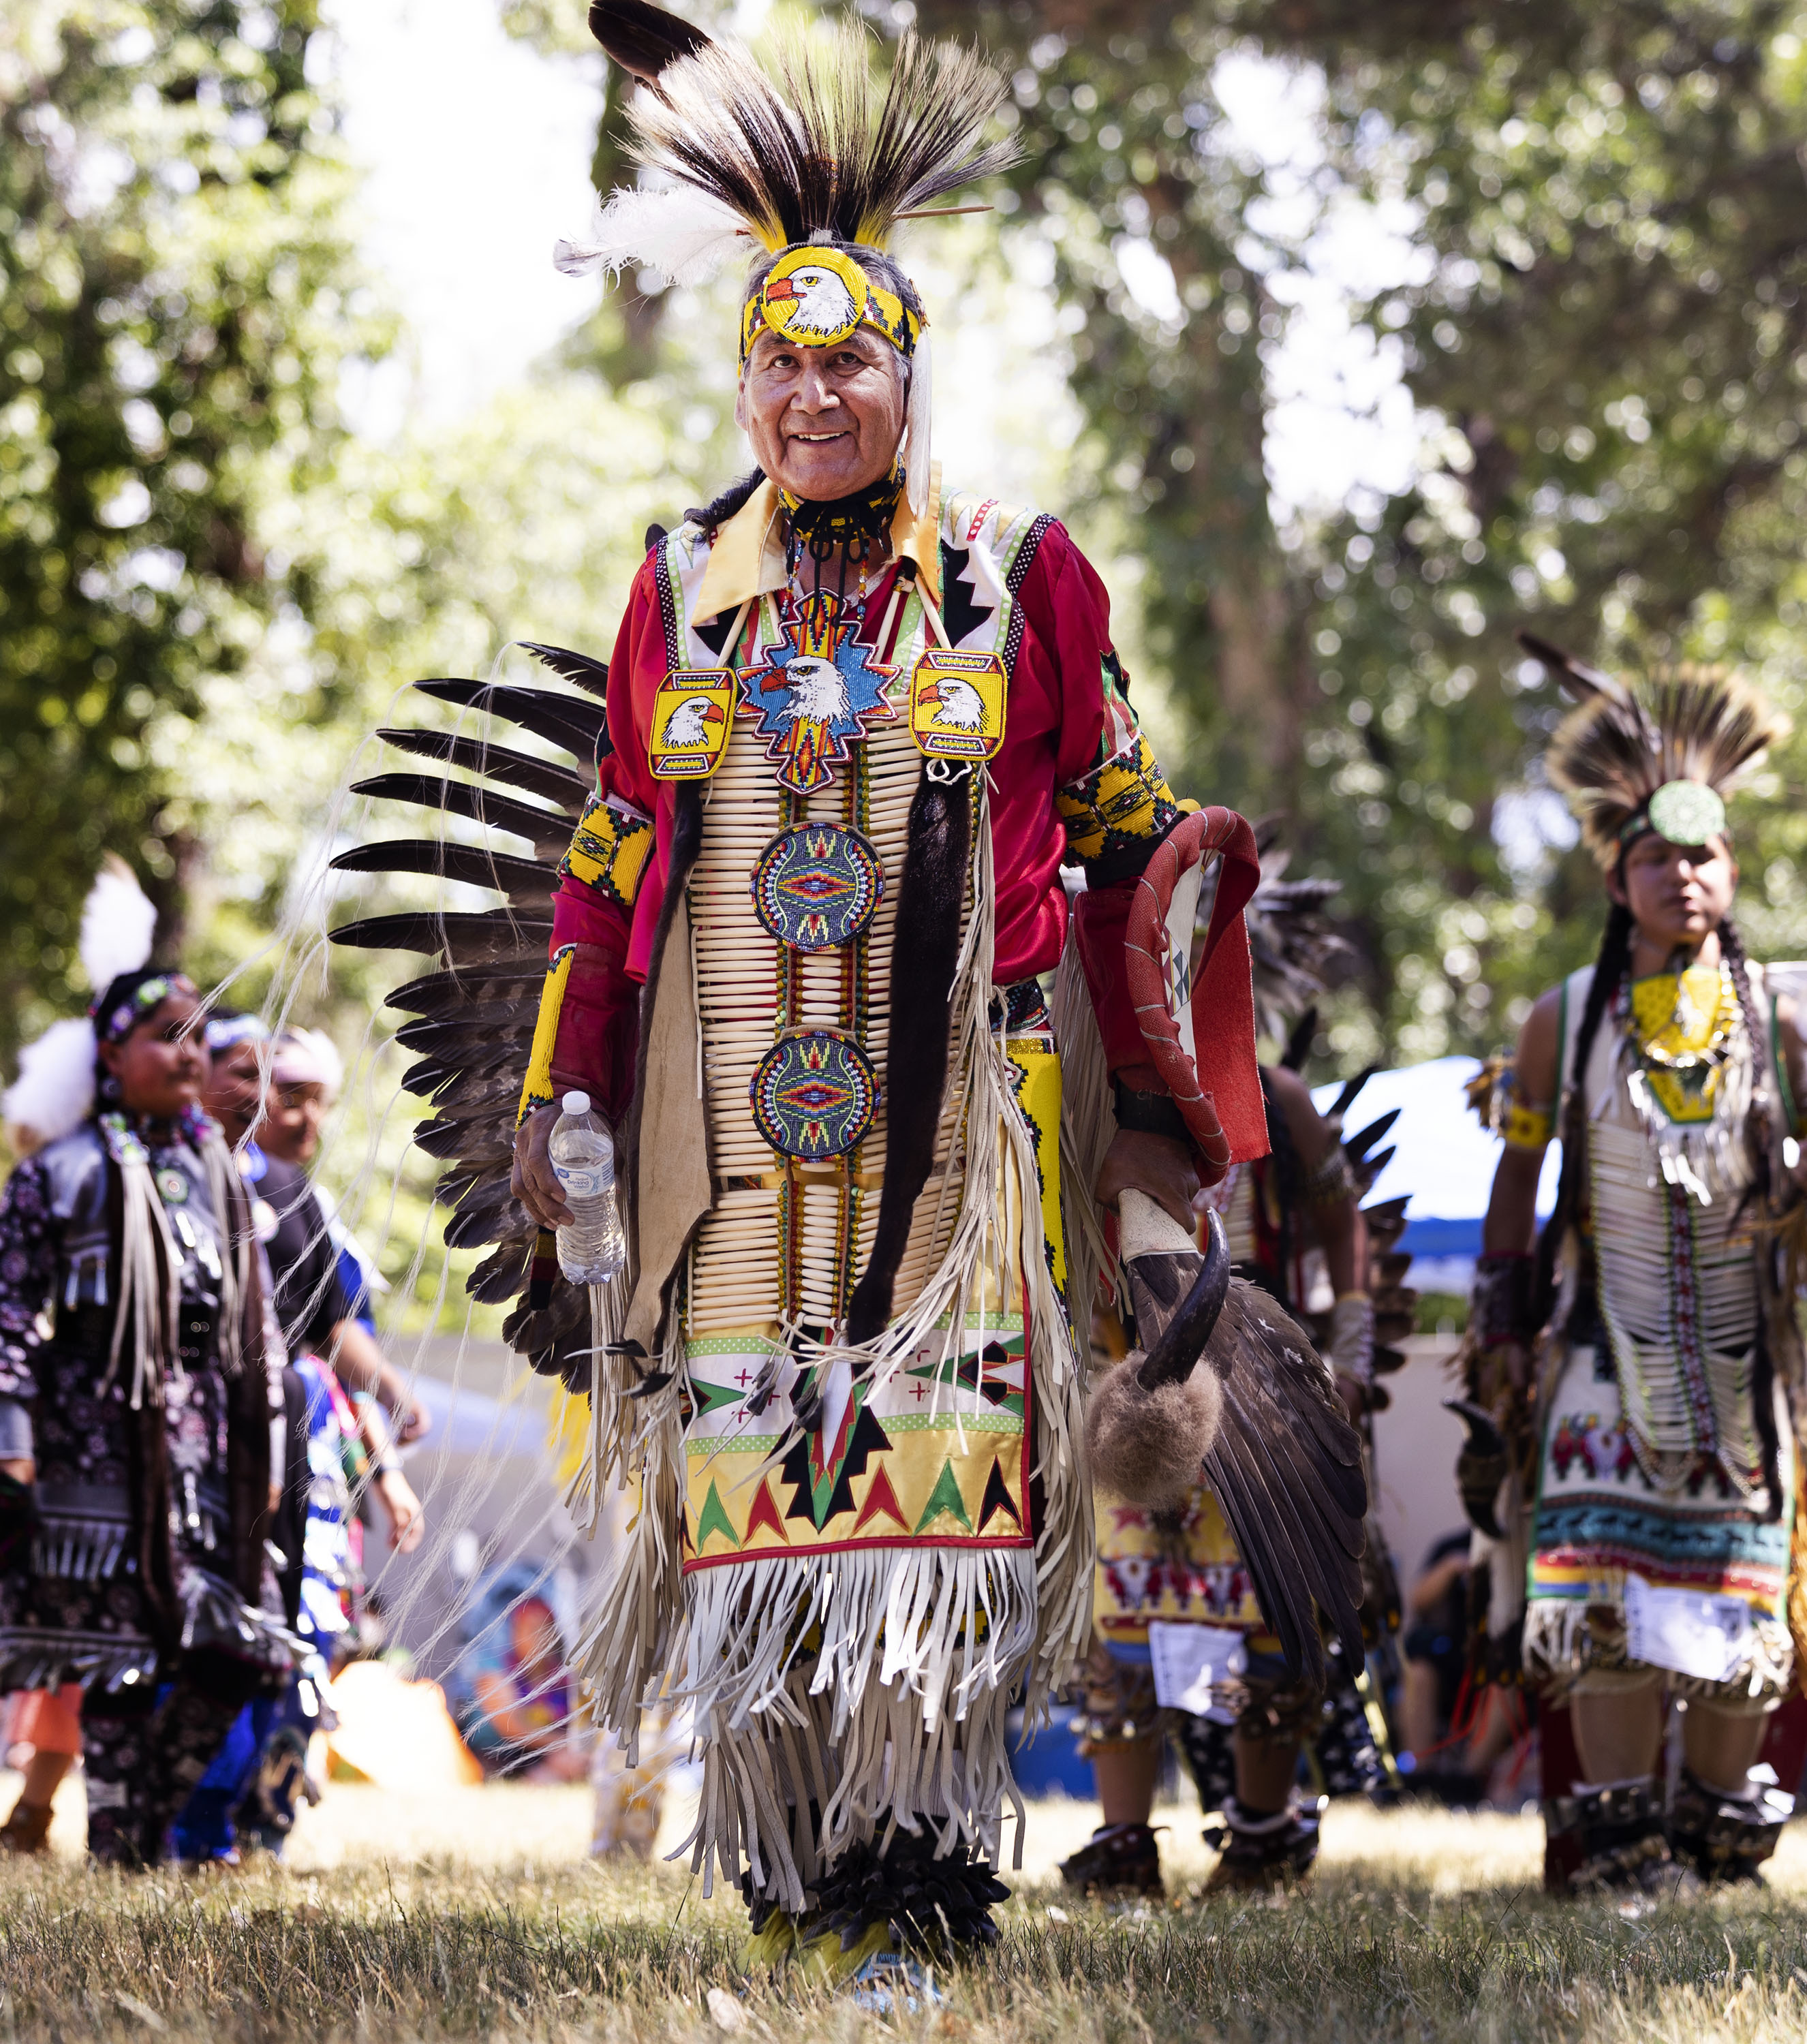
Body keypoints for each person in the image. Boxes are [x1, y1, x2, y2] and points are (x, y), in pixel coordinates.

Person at [1464, 641, 1807, 1891]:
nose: (1682, 877)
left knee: (1734, 1615)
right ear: (1618, 876)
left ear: (1734, 866)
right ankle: (1616, 1840)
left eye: (1702, 853)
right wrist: (1501, 1334)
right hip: (1603, 1368)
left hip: (1745, 1378)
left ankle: (1719, 1828)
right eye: (1656, 857)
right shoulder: (1564, 1019)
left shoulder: (1784, 1015)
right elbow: (1514, 1184)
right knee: (1601, 1599)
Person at [1062, 845, 1409, 1895]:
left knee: (1265, 1613)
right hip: (1130, 1390)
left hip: (1259, 1391)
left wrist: (1346, 1353)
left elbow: (1342, 1220)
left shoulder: (1275, 1095)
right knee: (1118, 1627)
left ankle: (1260, 1831)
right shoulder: (1088, 1095)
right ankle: (1126, 1842)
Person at [0, 862, 300, 1865]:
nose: (187, 1054)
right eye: (163, 1037)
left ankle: (134, 1832)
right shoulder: (63, 1174)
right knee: (123, 1665)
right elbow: (4, 1314)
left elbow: (252, 1327)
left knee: (239, 1656)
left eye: (192, 1034)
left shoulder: (215, 1171)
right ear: (112, 1053)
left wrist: (274, 1446)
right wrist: (12, 1449)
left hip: (207, 1461)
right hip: (93, 1455)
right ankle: (123, 1846)